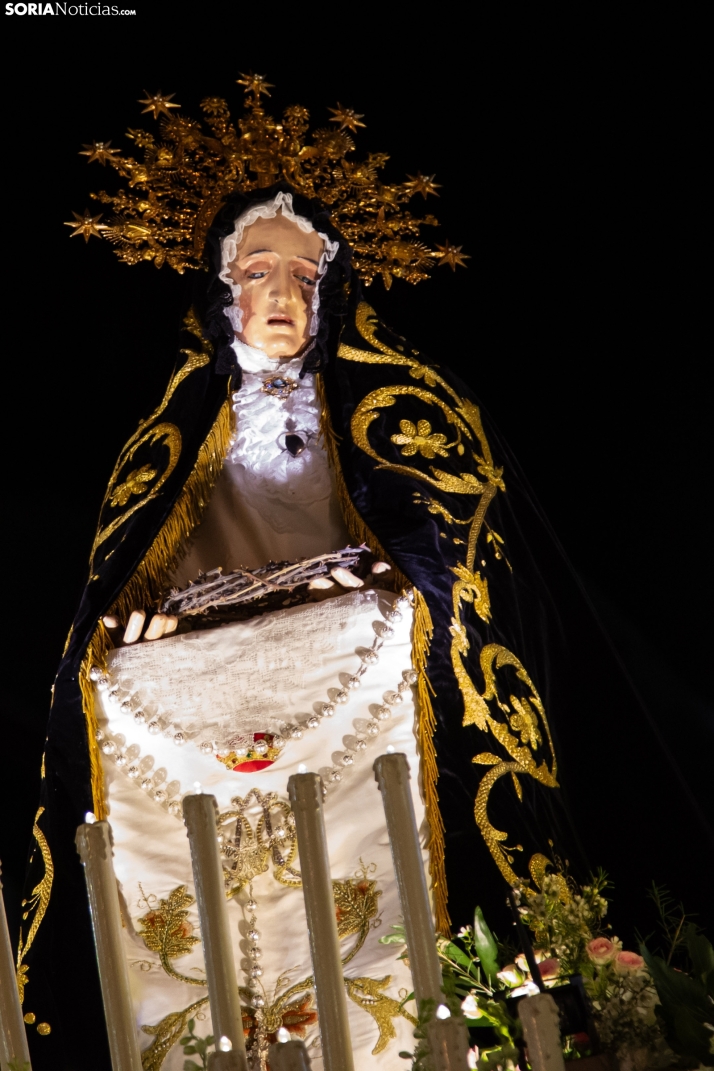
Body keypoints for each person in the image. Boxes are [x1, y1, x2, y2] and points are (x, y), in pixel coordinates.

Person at [18, 78, 668, 1069]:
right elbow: (112, 603)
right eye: (257, 271)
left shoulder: (411, 411)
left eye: (305, 275)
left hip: (366, 710)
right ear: (215, 289)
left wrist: (367, 589)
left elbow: (463, 584)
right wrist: (137, 623)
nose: (283, 294)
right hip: (198, 744)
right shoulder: (167, 444)